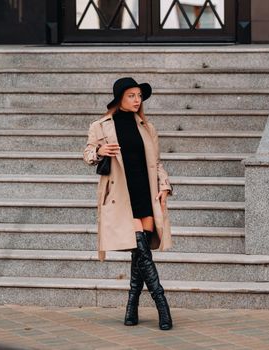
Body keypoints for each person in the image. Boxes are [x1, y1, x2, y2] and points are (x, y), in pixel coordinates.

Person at [83, 77, 174, 330]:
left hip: (145, 192)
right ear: (120, 98)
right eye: (132, 95)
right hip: (121, 196)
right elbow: (87, 154)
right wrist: (99, 152)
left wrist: (164, 186)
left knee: (140, 253)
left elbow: (158, 163)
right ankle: (162, 305)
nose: (137, 100)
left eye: (139, 96)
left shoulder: (147, 127)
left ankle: (132, 306)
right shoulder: (101, 126)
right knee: (141, 249)